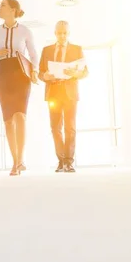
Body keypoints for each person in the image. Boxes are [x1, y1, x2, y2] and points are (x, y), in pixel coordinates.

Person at [0, 0, 39, 176]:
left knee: (20, 116)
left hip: (21, 73)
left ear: (13, 10)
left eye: (2, 5)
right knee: (8, 119)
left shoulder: (25, 31)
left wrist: (35, 71)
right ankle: (15, 161)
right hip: (3, 74)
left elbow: (33, 54)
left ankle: (20, 160)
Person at [38, 21, 88, 173]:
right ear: (55, 33)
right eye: (59, 32)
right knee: (55, 128)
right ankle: (61, 161)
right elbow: (40, 72)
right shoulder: (47, 50)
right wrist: (45, 75)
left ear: (68, 33)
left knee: (70, 128)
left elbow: (85, 72)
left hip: (70, 93)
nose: (62, 35)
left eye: (64, 33)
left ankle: (69, 162)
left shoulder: (76, 49)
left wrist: (75, 73)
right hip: (53, 92)